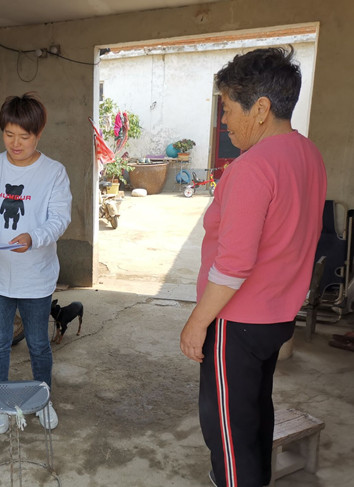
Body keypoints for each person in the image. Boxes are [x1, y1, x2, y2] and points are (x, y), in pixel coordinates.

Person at [179, 47, 326, 487]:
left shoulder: (252, 167)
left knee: (228, 432)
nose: (224, 120)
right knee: (255, 413)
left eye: (227, 108)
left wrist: (197, 323)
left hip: (237, 321)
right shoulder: (307, 154)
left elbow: (234, 264)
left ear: (260, 109)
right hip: (277, 316)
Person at [0, 93, 72, 434]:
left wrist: (34, 238)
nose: (15, 143)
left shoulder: (53, 172)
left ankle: (43, 399)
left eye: (24, 137)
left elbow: (59, 219)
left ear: (38, 134)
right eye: (9, 134)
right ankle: (0, 402)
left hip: (35, 276)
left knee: (38, 343)